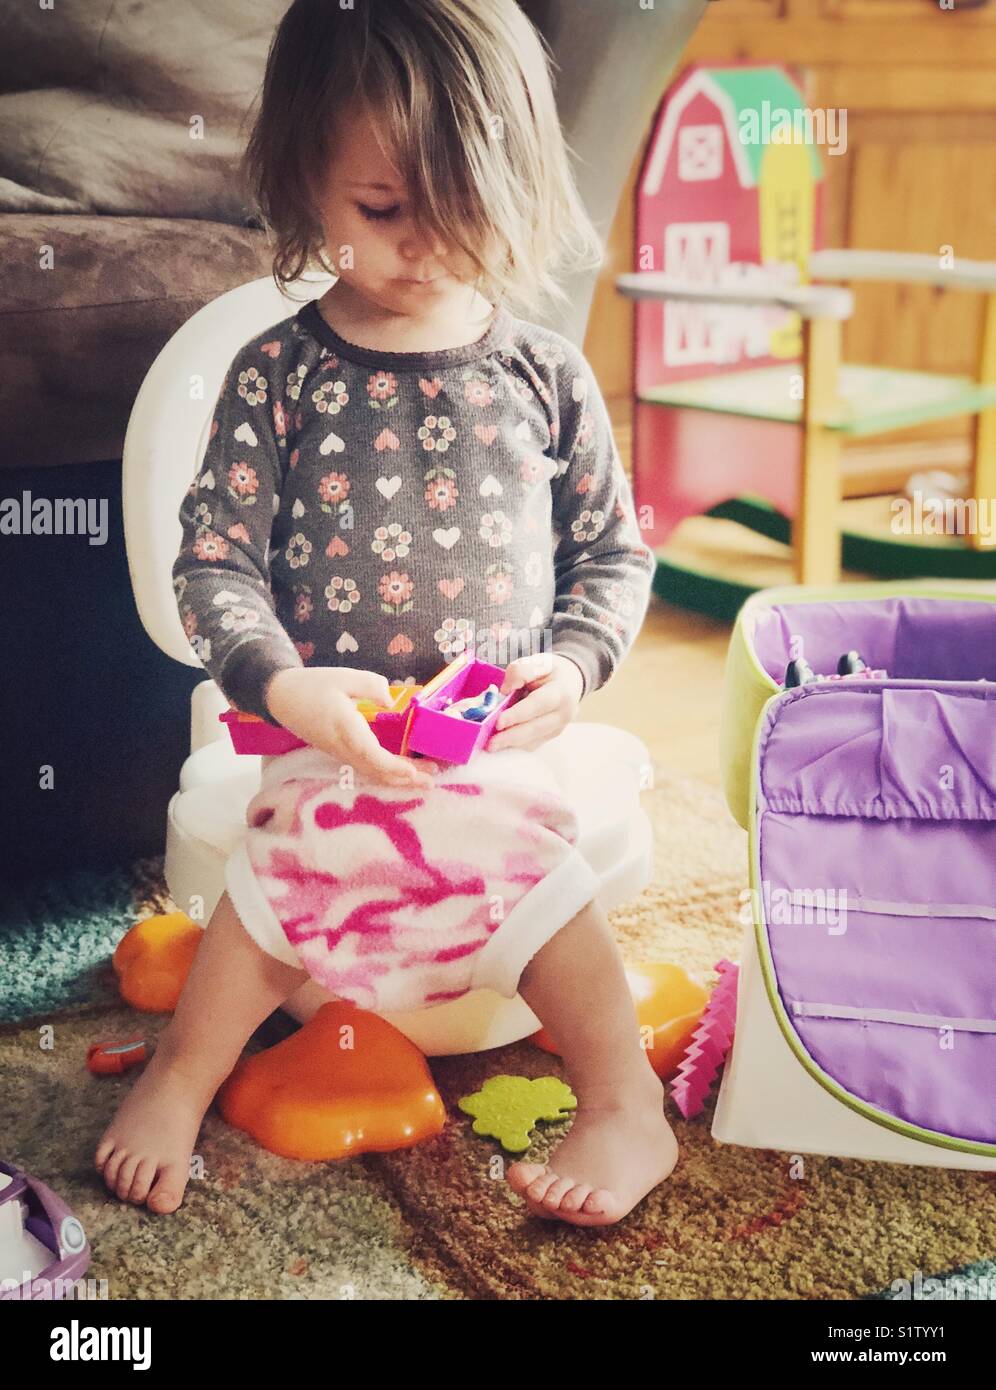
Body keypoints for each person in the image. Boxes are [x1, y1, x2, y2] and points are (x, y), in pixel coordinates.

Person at [96, 0, 677, 1226]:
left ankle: (625, 1100)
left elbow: (615, 561)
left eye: (462, 212)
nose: (423, 248)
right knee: (267, 881)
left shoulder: (546, 375)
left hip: (493, 744)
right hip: (330, 736)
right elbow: (214, 565)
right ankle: (184, 1070)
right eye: (382, 210)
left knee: (550, 876)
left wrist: (568, 673)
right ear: (307, 178)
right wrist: (288, 686)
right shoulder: (279, 375)